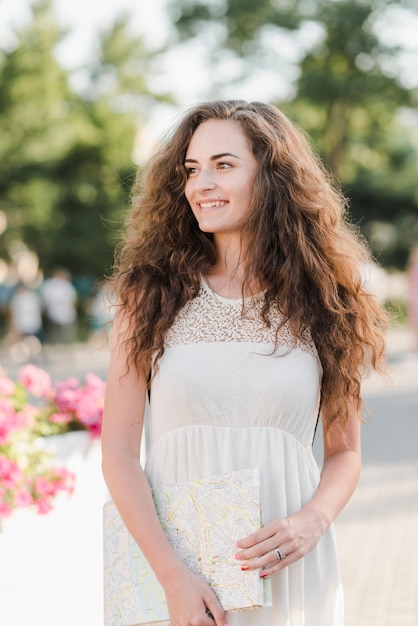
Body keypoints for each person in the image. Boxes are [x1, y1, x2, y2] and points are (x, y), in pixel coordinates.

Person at [101, 100, 386, 626]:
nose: (200, 183)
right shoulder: (149, 297)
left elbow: (344, 452)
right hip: (175, 575)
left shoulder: (327, 302)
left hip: (289, 570)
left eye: (223, 165)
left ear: (272, 176)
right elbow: (118, 450)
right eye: (191, 169)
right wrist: (173, 578)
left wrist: (313, 521)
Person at [41, 268, 78, 344]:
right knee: (64, 336)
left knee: (56, 336)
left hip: (55, 315)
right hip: (62, 315)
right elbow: (74, 300)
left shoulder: (48, 285)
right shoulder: (65, 285)